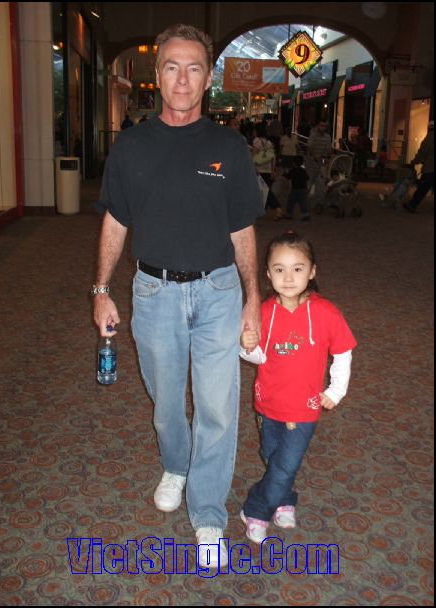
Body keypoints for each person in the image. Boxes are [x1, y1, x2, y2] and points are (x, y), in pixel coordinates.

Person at [92, 23, 264, 569]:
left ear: (209, 78)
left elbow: (242, 228)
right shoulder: (131, 146)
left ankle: (208, 513)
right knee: (167, 407)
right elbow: (116, 221)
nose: (183, 79)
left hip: (217, 291)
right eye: (172, 67)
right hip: (154, 293)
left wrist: (253, 298)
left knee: (217, 408)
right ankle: (176, 464)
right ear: (157, 76)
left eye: (194, 68)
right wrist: (101, 290)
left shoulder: (229, 147)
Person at [238, 230, 357, 543]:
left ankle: (256, 509)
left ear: (312, 271)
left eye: (297, 268)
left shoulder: (326, 312)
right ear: (268, 274)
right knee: (272, 457)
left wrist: (336, 390)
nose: (288, 278)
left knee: (287, 462)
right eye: (279, 269)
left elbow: (343, 351)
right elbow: (258, 356)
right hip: (267, 403)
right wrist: (246, 345)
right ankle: (285, 499)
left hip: (304, 408)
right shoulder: (263, 312)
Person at [252, 123, 283, 218]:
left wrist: (253, 168)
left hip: (259, 170)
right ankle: (262, 210)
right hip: (268, 170)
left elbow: (254, 156)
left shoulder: (256, 140)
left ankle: (277, 207)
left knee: (265, 191)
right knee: (265, 190)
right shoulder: (269, 142)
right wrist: (273, 170)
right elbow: (273, 157)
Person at [404, 120, 434, 213]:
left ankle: (412, 205)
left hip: (430, 169)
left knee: (422, 189)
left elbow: (422, 151)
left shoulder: (430, 137)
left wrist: (414, 162)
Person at [305, 120, 333, 205]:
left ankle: (318, 202)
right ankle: (303, 200)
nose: (323, 128)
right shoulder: (313, 136)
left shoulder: (327, 137)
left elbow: (328, 148)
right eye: (321, 126)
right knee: (309, 182)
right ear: (317, 126)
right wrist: (314, 155)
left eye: (324, 126)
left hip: (322, 162)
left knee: (321, 183)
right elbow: (310, 147)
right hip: (311, 163)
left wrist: (331, 155)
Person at [284, 156, 310, 221]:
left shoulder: (293, 170)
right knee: (303, 202)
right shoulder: (303, 170)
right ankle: (305, 214)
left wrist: (285, 172)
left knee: (291, 201)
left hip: (295, 189)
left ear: (294, 163)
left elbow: (288, 177)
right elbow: (307, 178)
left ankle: (289, 214)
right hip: (303, 188)